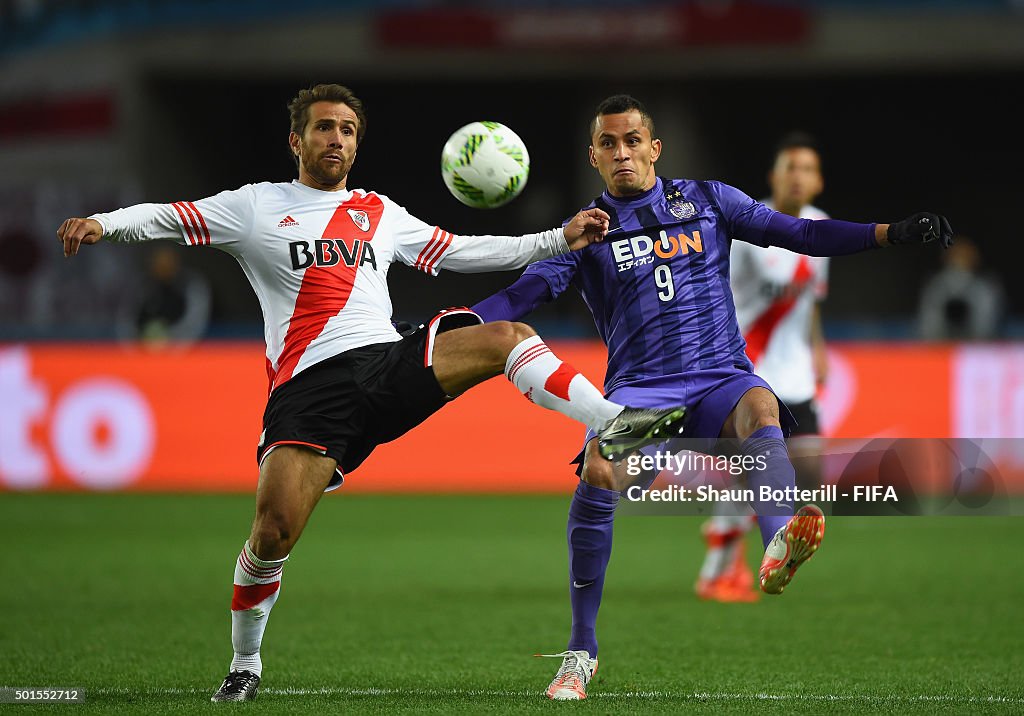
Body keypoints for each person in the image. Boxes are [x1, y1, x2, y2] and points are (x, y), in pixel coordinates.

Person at [55, 84, 689, 703]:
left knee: (507, 336)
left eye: (348, 130)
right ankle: (245, 664)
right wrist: (102, 224)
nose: (337, 139)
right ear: (296, 140)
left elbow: (464, 251)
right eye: (325, 128)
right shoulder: (254, 206)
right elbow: (168, 216)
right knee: (272, 534)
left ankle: (619, 419)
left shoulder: (380, 213)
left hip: (388, 362)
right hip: (311, 392)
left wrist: (557, 238)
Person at [471, 94, 953, 700]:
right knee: (597, 475)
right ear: (594, 156)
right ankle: (580, 650)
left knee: (761, 406)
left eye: (633, 140)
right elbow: (520, 298)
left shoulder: (708, 200)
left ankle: (779, 537)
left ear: (655, 148)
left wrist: (889, 233)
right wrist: (451, 329)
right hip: (641, 389)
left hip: (719, 376)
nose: (623, 152)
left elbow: (800, 233)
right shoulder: (587, 231)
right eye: (609, 144)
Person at [695, 131, 830, 603]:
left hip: (797, 373)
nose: (798, 176)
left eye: (807, 168)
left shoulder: (820, 226)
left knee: (809, 472)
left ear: (818, 181)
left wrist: (818, 348)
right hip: (752, 372)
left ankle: (734, 543)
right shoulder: (751, 230)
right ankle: (718, 566)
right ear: (773, 176)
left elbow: (810, 301)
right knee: (754, 470)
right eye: (790, 167)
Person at [917, 235, 1005, 340]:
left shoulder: (985, 288)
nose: (959, 261)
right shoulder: (935, 287)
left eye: (964, 256)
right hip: (941, 347)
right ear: (946, 258)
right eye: (955, 256)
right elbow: (928, 328)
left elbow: (986, 328)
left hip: (976, 348)